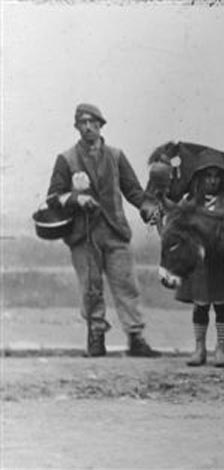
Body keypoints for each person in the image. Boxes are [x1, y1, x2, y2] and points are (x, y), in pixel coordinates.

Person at [45, 103, 160, 357]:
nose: (87, 127)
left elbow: (133, 191)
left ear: (100, 125)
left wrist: (149, 207)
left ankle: (136, 338)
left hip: (115, 231)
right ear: (77, 127)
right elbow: (53, 196)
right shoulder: (66, 159)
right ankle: (96, 336)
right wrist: (76, 198)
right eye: (82, 123)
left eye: (92, 122)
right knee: (90, 287)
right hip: (83, 234)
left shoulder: (116, 155)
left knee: (127, 284)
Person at [175, 149, 224, 368]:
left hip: (221, 264)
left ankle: (221, 348)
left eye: (216, 176)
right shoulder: (189, 203)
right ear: (199, 178)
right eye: (208, 176)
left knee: (222, 306)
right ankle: (199, 348)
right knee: (201, 306)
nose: (212, 181)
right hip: (200, 266)